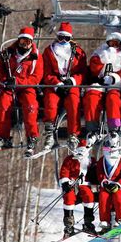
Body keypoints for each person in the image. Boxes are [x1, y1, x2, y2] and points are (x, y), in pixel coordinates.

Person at [0, 26, 44, 156]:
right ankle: (3, 136)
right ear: (18, 40)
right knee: (2, 104)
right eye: (22, 41)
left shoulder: (36, 57)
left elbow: (36, 77)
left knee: (31, 106)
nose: (24, 45)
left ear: (31, 43)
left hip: (26, 88)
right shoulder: (8, 53)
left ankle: (32, 136)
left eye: (27, 42)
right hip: (9, 87)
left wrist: (19, 82)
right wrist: (5, 80)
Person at [41, 22, 87, 151]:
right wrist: (56, 84)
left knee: (73, 102)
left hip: (71, 84)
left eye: (66, 39)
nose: (63, 41)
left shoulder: (78, 52)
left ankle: (73, 134)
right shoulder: (49, 51)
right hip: (54, 84)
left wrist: (72, 81)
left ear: (70, 39)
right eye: (60, 37)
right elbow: (46, 72)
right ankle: (49, 132)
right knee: (50, 101)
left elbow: (83, 72)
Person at [83, 30, 121, 138]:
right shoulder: (100, 55)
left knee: (113, 99)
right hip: (100, 84)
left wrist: (114, 78)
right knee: (92, 97)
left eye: (116, 44)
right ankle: (92, 129)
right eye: (111, 44)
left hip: (116, 86)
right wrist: (101, 71)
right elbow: (94, 68)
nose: (113, 47)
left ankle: (114, 128)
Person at [94, 133, 121, 232]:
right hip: (106, 185)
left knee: (118, 198)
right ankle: (104, 220)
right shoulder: (102, 160)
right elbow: (100, 172)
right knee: (103, 197)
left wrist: (119, 184)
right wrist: (104, 182)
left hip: (118, 185)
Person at [59, 142, 95, 236]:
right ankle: (69, 225)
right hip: (71, 184)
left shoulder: (90, 160)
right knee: (69, 198)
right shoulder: (70, 159)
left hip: (84, 184)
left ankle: (88, 222)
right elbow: (64, 171)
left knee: (89, 196)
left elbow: (96, 171)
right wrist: (65, 182)